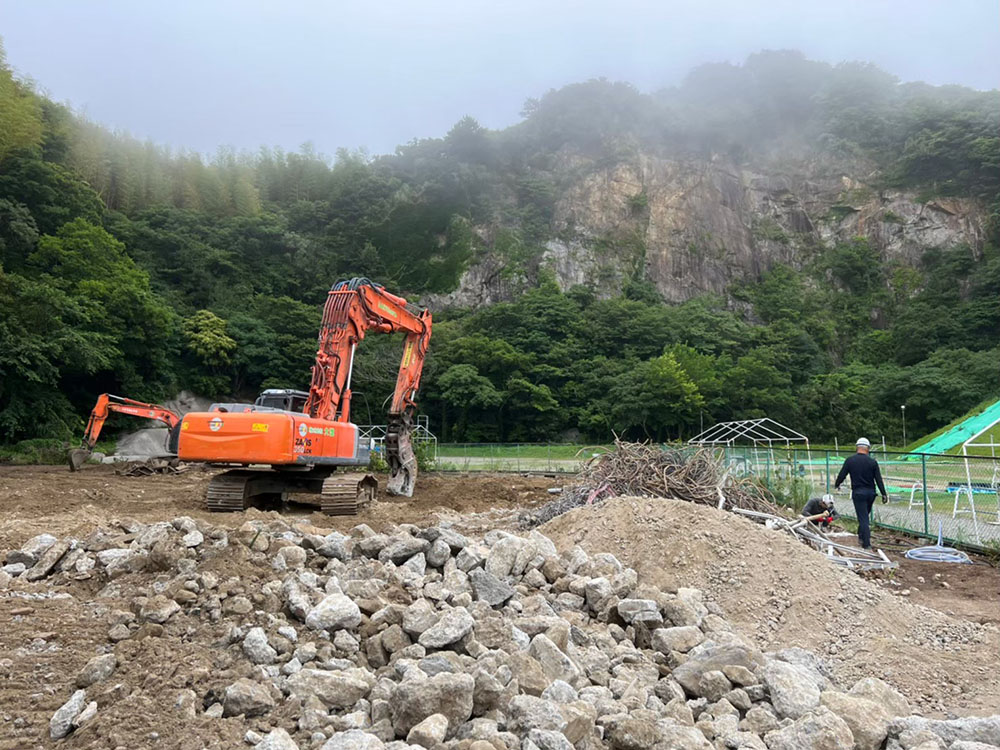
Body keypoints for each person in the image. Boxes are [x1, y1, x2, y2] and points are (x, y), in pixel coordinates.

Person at [834, 437, 888, 549]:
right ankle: (861, 536)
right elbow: (878, 479)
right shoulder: (872, 462)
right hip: (871, 494)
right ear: (868, 448)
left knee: (863, 519)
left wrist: (837, 484)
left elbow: (842, 474)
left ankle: (866, 544)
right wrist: (884, 493)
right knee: (864, 516)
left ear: (857, 447)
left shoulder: (850, 460)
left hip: (858, 493)